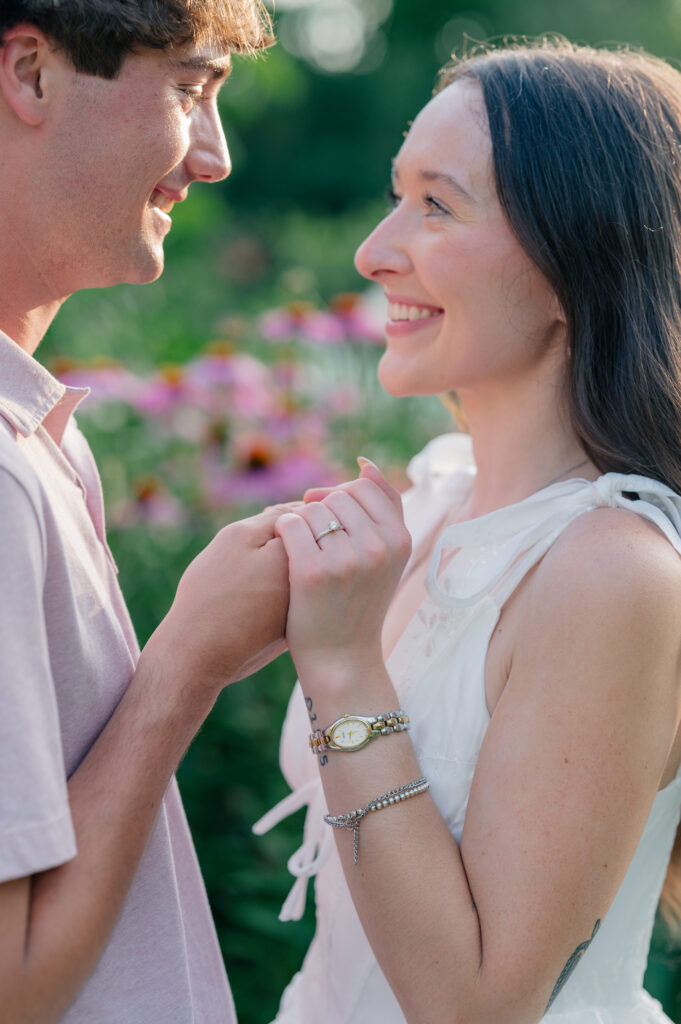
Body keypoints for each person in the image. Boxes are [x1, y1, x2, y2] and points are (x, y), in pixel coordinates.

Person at [255, 38, 681, 1023]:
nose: (374, 251)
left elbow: (476, 1007)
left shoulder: (612, 571)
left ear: (581, 250)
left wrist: (346, 669)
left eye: (437, 205)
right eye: (396, 195)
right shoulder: (440, 503)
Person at [0, 3, 289, 1023]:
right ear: (31, 75)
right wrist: (189, 661)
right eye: (189, 89)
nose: (212, 156)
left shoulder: (40, 434)